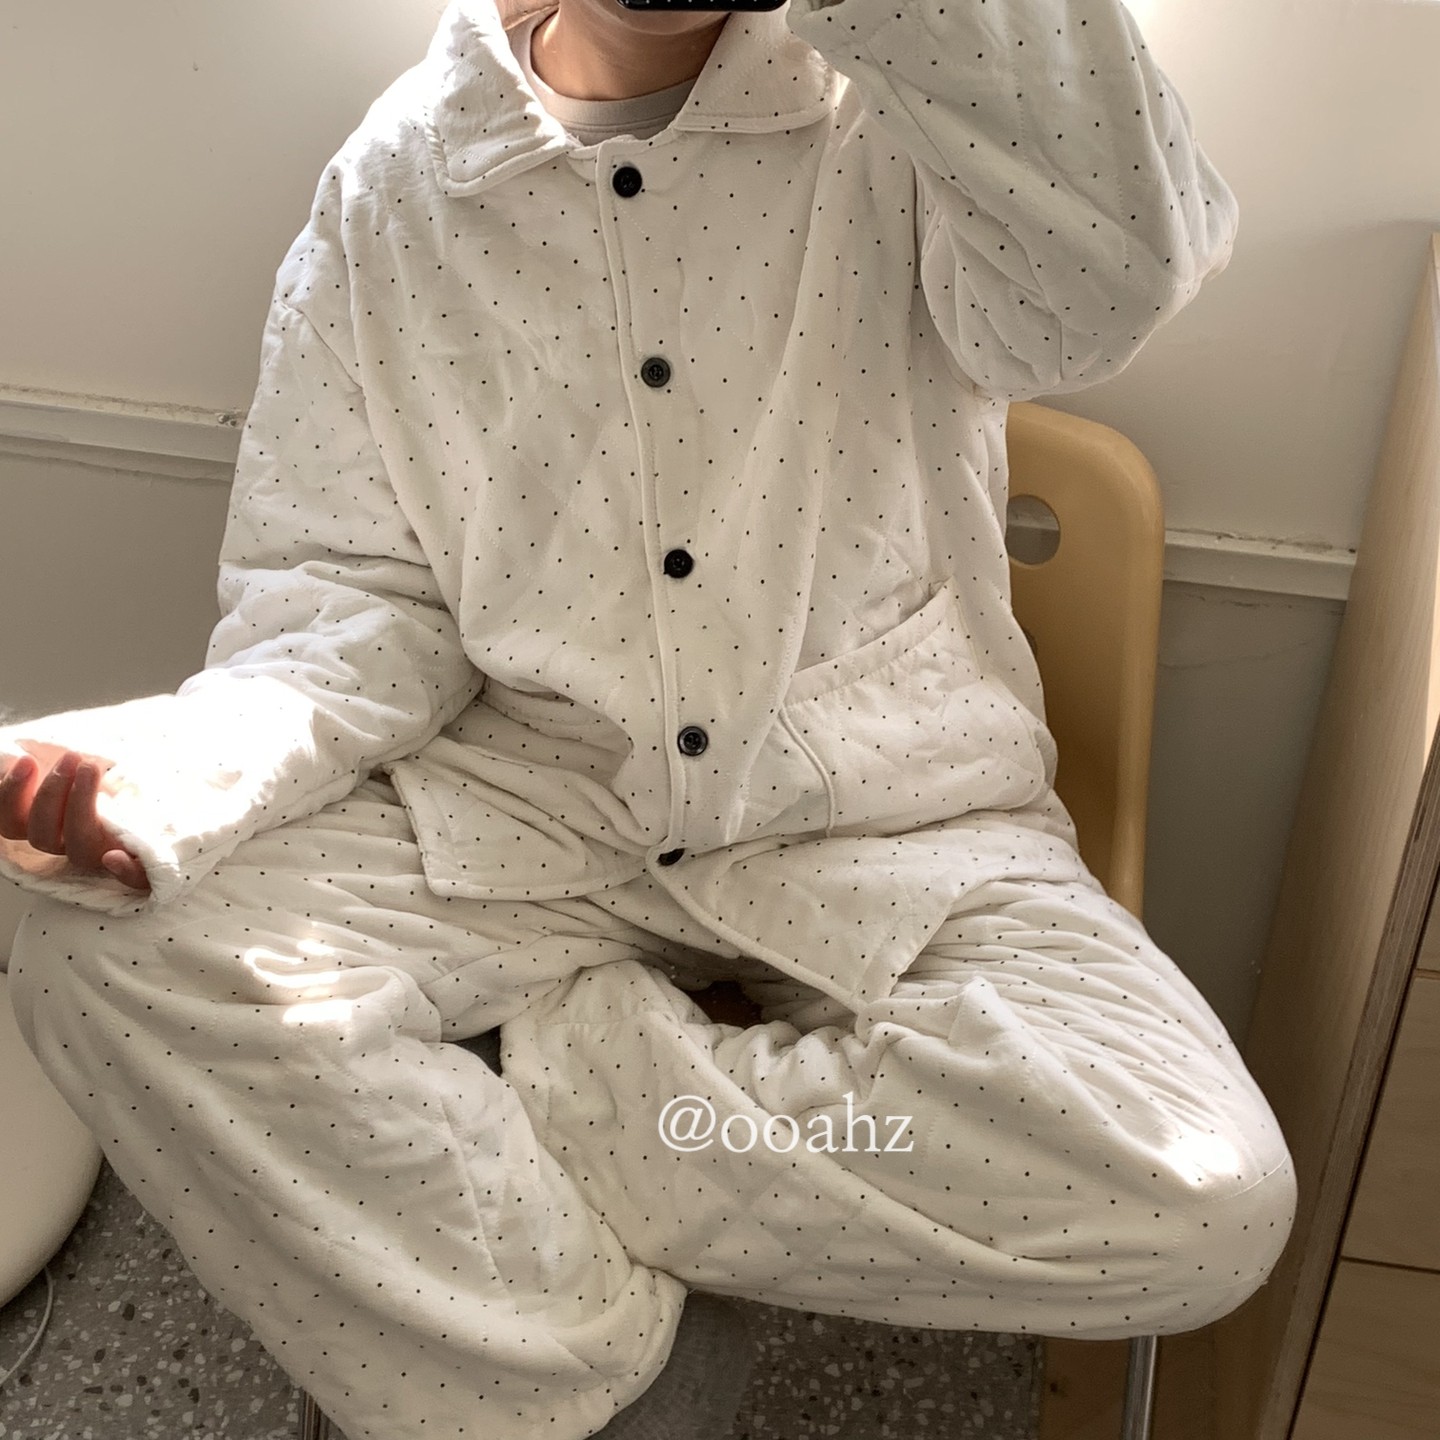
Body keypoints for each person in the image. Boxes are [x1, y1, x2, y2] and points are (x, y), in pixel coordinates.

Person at [0, 0, 1297, 1436]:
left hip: (888, 811)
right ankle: (595, 1371)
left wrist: (605, 1081)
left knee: (1200, 1196)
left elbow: (1111, 290)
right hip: (530, 815)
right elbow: (347, 604)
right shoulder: (397, 187)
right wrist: (164, 775)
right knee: (93, 946)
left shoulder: (898, 116)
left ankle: (566, 1094)